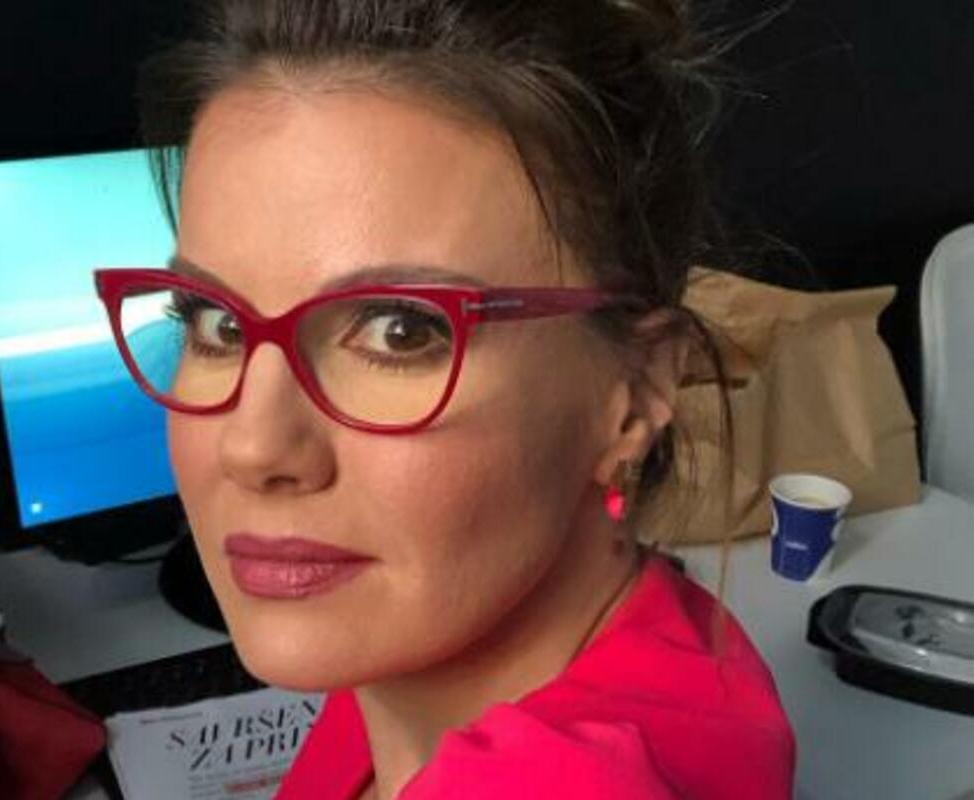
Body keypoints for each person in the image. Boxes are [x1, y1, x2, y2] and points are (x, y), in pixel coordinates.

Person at [94, 0, 795, 796]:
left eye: (400, 331)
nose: (252, 448)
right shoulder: (471, 636)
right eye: (215, 321)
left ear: (635, 391)